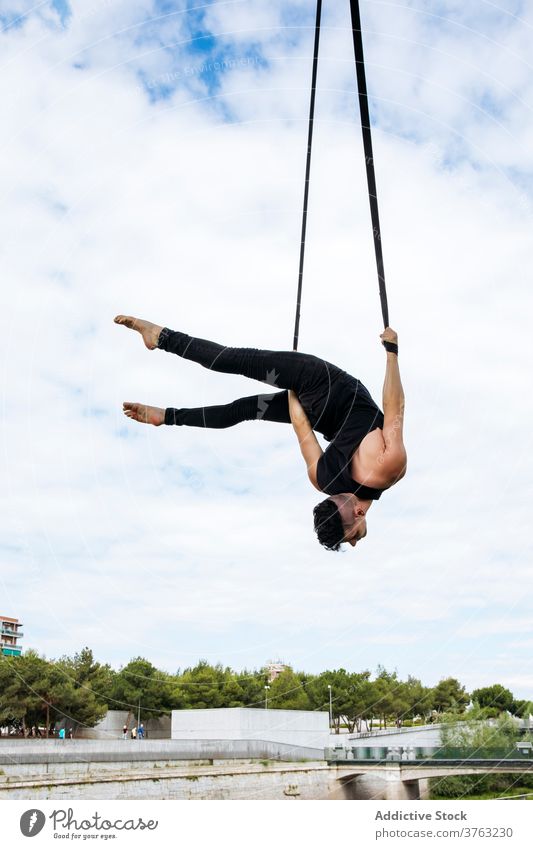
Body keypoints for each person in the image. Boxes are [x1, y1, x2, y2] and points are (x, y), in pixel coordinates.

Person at [114, 315, 406, 551]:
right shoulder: (328, 479)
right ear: (357, 514)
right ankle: (165, 389)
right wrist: (295, 383)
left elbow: (391, 410)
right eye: (352, 539)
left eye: (348, 540)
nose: (354, 542)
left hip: (318, 385)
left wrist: (297, 381)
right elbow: (391, 407)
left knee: (238, 380)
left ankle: (163, 381)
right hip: (314, 395)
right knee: (240, 397)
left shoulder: (379, 470)